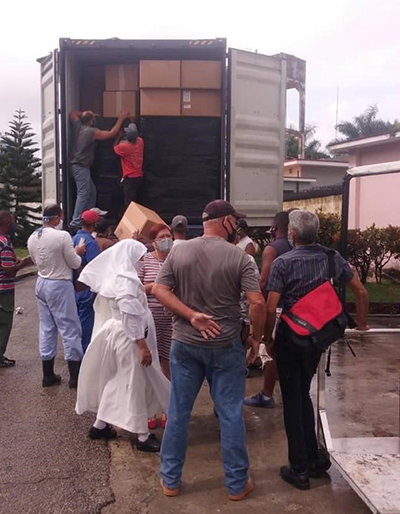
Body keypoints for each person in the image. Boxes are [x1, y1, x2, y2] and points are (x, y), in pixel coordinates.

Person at [153, 200, 266, 501]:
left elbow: (159, 289)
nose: (237, 227)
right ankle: (236, 484)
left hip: (185, 345)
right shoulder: (240, 258)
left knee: (178, 411)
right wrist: (256, 338)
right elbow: (257, 303)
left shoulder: (179, 252)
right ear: (227, 222)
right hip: (225, 346)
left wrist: (190, 316)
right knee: (229, 414)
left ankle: (170, 480)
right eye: (235, 222)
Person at [264, 210, 369, 490]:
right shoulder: (331, 257)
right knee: (303, 394)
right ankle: (313, 458)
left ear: (293, 235)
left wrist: (266, 339)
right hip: (318, 338)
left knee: (293, 399)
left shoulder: (282, 263)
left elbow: (270, 307)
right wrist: (362, 325)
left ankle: (299, 469)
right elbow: (361, 291)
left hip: (290, 338)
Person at [75, 240, 170, 452]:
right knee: (133, 382)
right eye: (138, 257)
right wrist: (142, 345)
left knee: (118, 379)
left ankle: (100, 425)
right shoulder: (126, 280)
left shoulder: (116, 277)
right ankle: (142, 436)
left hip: (118, 334)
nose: (141, 261)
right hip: (129, 338)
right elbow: (129, 313)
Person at [27, 204, 85, 388]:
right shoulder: (62, 236)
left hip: (41, 281)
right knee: (69, 328)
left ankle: (48, 375)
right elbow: (74, 263)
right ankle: (75, 378)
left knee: (46, 327)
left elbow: (36, 260)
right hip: (59, 283)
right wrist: (79, 252)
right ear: (58, 217)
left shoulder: (32, 237)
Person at [244, 211, 292, 408]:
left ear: (274, 226)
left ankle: (266, 394)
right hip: (295, 309)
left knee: (270, 351)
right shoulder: (296, 245)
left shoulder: (271, 249)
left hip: (276, 306)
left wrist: (255, 304)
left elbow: (263, 281)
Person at [69, 110, 129, 229]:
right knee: (84, 193)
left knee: (91, 191)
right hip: (80, 166)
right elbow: (111, 134)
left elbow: (72, 113)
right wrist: (121, 118)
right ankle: (76, 222)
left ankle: (89, 216)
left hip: (78, 166)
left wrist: (84, 113)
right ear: (91, 121)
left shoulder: (78, 126)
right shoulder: (91, 132)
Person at [0, 212, 32, 367]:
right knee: (4, 323)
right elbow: (8, 270)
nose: (14, 225)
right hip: (3, 290)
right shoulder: (4, 243)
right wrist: (24, 264)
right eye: (13, 222)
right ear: (6, 223)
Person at [72, 210, 100, 353]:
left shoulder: (72, 239)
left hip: (73, 288)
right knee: (86, 322)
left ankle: (74, 352)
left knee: (74, 322)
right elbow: (94, 267)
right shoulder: (90, 242)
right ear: (95, 224)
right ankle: (84, 354)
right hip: (86, 288)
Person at [114, 123, 144, 208]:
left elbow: (115, 147)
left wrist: (119, 135)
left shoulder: (124, 147)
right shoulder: (140, 141)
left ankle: (130, 219)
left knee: (129, 204)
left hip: (130, 178)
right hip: (139, 176)